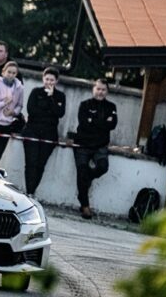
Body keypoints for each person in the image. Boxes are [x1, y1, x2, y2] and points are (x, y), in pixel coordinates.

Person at [73, 79, 117, 219]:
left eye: (103, 89)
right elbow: (84, 124)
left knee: (103, 167)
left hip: (100, 146)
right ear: (93, 90)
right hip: (83, 144)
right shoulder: (84, 105)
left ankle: (88, 178)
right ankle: (85, 206)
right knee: (81, 172)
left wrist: (94, 121)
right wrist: (103, 122)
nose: (100, 92)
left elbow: (112, 125)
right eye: (98, 89)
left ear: (107, 91)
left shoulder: (111, 106)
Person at [22, 67, 66, 196]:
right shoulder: (36, 92)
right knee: (31, 162)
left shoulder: (60, 96)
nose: (49, 82)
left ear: (56, 81)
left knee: (40, 164)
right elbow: (32, 110)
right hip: (32, 131)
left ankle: (32, 191)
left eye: (52, 80)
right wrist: (49, 112)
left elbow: (60, 113)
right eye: (47, 79)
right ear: (43, 79)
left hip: (49, 134)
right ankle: (29, 191)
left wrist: (51, 99)